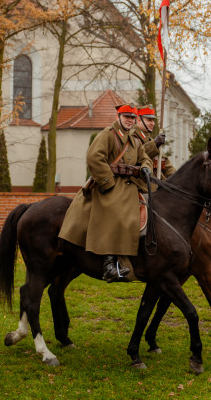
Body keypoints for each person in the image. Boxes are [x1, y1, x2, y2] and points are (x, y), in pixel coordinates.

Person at [59, 103, 152, 282]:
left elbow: (144, 157)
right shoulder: (108, 135)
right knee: (116, 213)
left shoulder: (133, 138)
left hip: (130, 183)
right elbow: (94, 157)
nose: (130, 121)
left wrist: (146, 168)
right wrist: (108, 182)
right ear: (118, 116)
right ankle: (110, 265)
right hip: (111, 183)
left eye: (132, 118)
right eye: (126, 117)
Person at [134, 105, 177, 181]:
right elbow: (138, 155)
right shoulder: (132, 136)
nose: (153, 123)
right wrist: (155, 143)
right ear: (138, 120)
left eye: (153, 120)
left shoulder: (149, 139)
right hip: (139, 182)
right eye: (149, 120)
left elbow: (164, 161)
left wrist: (176, 176)